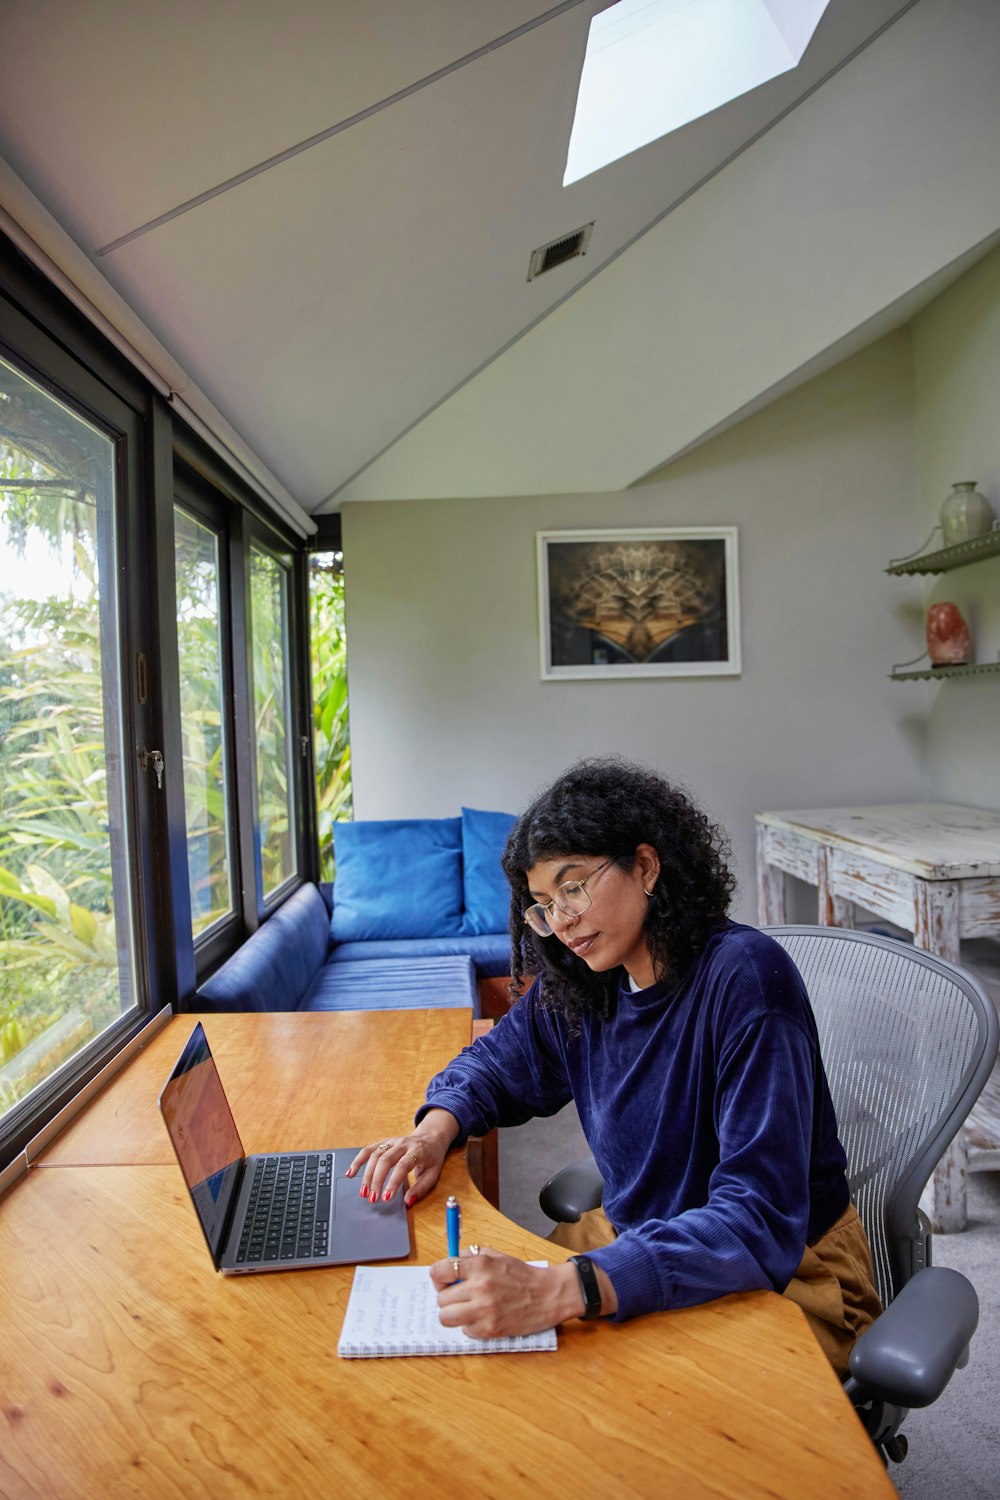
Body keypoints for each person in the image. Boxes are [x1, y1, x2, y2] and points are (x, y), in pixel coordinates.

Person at [348, 757, 881, 1375]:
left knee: (608, 1401)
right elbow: (495, 1061)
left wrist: (566, 1288)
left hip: (785, 1267)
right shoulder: (585, 983)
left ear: (647, 866)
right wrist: (432, 1131)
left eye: (574, 888)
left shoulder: (746, 980)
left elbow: (757, 1218)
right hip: (643, 1236)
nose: (562, 923)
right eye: (543, 904)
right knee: (485, 1347)